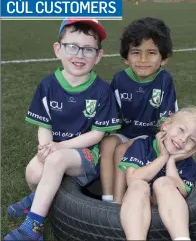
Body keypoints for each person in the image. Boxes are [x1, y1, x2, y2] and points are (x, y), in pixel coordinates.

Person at [4, 18, 121, 241]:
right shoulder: (47, 85)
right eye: (72, 47)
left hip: (87, 155)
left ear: (98, 56)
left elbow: (96, 134)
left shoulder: (102, 90)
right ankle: (36, 202)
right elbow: (44, 125)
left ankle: (33, 228)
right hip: (56, 148)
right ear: (58, 50)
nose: (80, 55)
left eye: (88, 49)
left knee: (56, 160)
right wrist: (45, 147)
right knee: (33, 171)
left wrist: (57, 148)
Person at [100, 17, 178, 203]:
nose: (143, 60)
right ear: (126, 58)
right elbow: (112, 115)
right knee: (108, 144)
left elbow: (168, 120)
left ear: (164, 59)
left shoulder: (164, 80)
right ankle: (107, 197)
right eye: (136, 52)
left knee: (122, 150)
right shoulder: (119, 79)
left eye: (151, 53)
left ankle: (119, 203)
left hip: (150, 137)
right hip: (126, 132)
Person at [118, 106, 196, 241]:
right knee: (138, 185)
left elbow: (182, 191)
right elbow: (132, 179)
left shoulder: (188, 163)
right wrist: (163, 158)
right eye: (181, 130)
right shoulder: (141, 146)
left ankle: (182, 238)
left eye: (191, 140)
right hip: (138, 202)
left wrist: (171, 160)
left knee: (164, 183)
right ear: (166, 125)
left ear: (193, 150)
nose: (183, 139)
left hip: (166, 205)